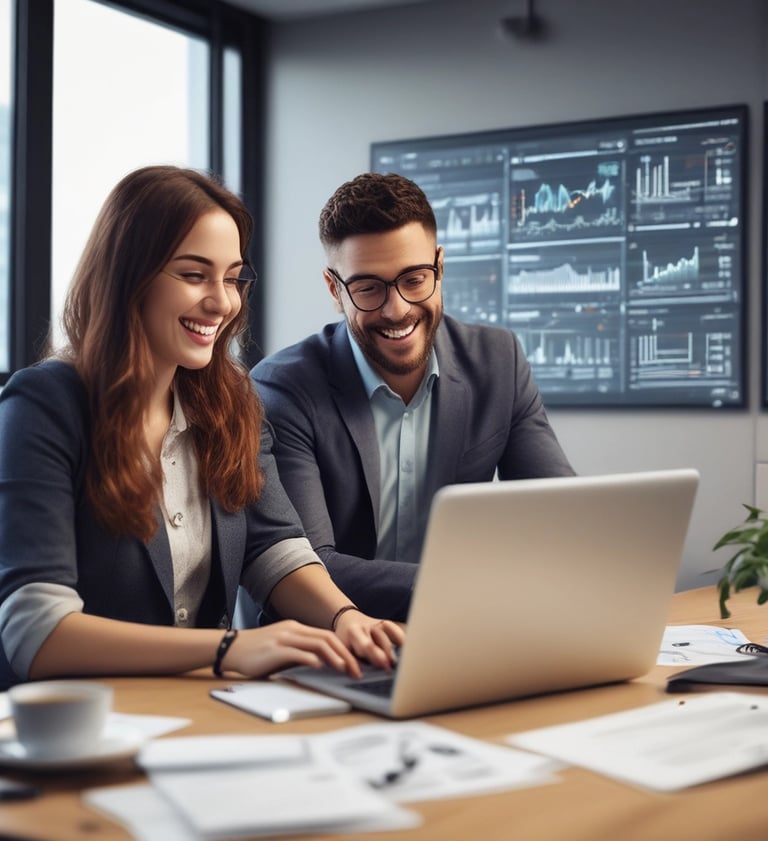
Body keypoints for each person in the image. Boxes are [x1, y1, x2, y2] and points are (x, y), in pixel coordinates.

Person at [0, 165, 403, 690]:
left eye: (233, 278)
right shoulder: (43, 406)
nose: (223, 301)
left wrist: (346, 619)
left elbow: (273, 548)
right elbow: (37, 633)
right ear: (129, 277)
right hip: (77, 729)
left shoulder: (231, 402)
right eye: (195, 275)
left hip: (197, 708)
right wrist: (231, 649)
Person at [250, 172, 575, 624]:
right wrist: (475, 586)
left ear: (440, 266)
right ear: (334, 290)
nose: (397, 309)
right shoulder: (283, 389)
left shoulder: (497, 362)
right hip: (328, 643)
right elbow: (309, 566)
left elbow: (564, 516)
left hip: (463, 635)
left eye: (415, 279)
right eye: (368, 288)